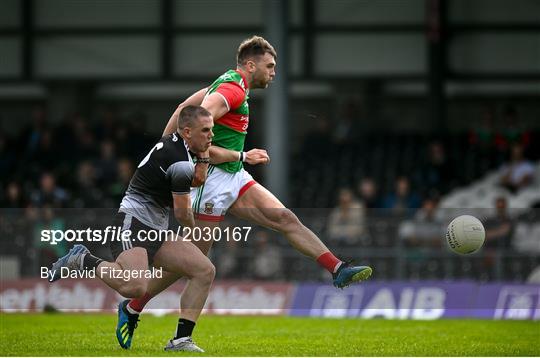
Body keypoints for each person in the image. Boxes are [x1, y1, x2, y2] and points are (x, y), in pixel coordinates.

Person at [119, 35, 372, 347]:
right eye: (270, 66)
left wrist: (164, 141)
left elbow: (185, 107)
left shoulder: (227, 83)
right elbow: (201, 119)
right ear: (250, 65)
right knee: (196, 264)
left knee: (284, 218)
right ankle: (139, 309)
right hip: (210, 181)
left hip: (234, 177)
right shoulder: (232, 89)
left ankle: (337, 269)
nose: (273, 72)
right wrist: (183, 151)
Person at [48, 106, 219, 352]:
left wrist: (206, 155)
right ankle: (82, 259)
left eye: (211, 129)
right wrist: (197, 231)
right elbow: (182, 213)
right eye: (206, 130)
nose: (211, 135)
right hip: (134, 224)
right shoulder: (179, 159)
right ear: (188, 132)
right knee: (134, 287)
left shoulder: (179, 144)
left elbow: (196, 177)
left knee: (204, 270)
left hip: (155, 229)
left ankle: (181, 340)